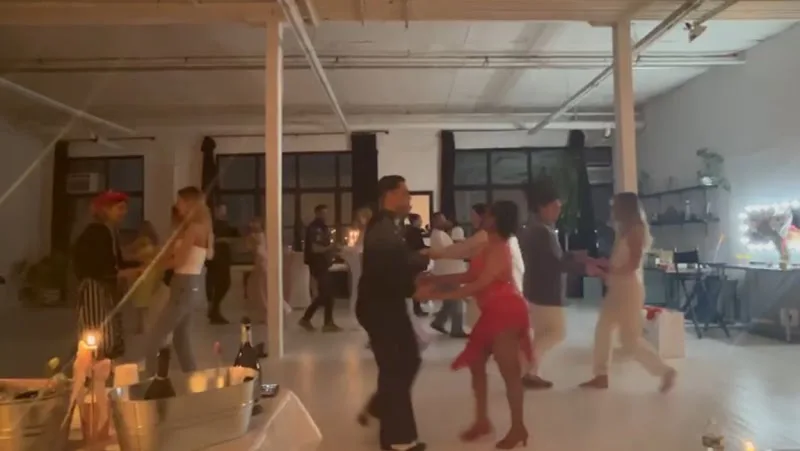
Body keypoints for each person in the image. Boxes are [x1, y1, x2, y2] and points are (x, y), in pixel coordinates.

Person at [415, 201, 531, 449]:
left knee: (509, 372)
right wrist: (435, 280)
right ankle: (482, 421)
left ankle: (518, 427)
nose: (482, 218)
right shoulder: (487, 245)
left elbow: (477, 285)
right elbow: (470, 276)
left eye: (487, 215)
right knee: (477, 363)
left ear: (497, 220)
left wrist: (435, 293)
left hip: (506, 312)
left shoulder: (499, 248)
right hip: (493, 312)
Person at [356, 175, 430, 451]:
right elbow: (390, 268)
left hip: (387, 303)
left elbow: (400, 260)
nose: (409, 198)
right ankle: (397, 440)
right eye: (405, 193)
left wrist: (422, 261)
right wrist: (416, 279)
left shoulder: (391, 225)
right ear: (390, 195)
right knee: (396, 367)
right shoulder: (382, 227)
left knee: (408, 360)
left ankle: (381, 405)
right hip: (379, 307)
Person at [579, 192, 677, 392]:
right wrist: (597, 263)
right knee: (603, 330)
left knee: (630, 341)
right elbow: (619, 263)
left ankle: (665, 371)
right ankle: (601, 375)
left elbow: (632, 264)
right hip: (618, 288)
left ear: (625, 208)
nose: (612, 210)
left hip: (628, 290)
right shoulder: (623, 231)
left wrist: (606, 272)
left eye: (615, 206)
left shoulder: (635, 231)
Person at [519, 177, 598, 389]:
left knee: (543, 333)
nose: (558, 211)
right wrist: (584, 268)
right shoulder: (541, 231)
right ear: (542, 207)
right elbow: (555, 263)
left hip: (537, 290)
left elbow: (554, 258)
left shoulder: (537, 228)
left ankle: (529, 371)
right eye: (555, 207)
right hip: (546, 291)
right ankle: (529, 370)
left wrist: (576, 257)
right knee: (556, 332)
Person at [134, 186, 211, 376]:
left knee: (155, 338)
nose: (177, 206)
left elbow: (179, 261)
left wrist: (152, 268)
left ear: (189, 203)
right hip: (189, 285)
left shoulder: (193, 229)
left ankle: (151, 380)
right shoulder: (201, 228)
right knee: (181, 338)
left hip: (184, 285)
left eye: (180, 202)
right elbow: (205, 255)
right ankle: (192, 377)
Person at [72, 191, 141, 360]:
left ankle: (103, 368)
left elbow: (116, 261)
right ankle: (94, 368)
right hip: (95, 289)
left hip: (106, 289)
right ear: (106, 209)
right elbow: (101, 267)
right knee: (99, 334)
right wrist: (130, 272)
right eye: (120, 208)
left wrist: (138, 266)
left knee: (109, 332)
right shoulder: (97, 232)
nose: (124, 212)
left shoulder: (110, 231)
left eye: (125, 208)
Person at [299, 204, 341, 332]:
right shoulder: (315, 228)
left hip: (323, 263)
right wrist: (331, 248)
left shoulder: (323, 228)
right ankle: (309, 319)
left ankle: (325, 322)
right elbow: (315, 248)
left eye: (326, 213)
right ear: (317, 213)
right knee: (326, 293)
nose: (325, 216)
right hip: (318, 264)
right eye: (323, 213)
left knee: (327, 293)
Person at [428, 212, 468, 338]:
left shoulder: (440, 234)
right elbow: (449, 252)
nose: (445, 221)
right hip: (449, 272)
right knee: (457, 301)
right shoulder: (438, 235)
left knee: (450, 301)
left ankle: (438, 322)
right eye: (442, 219)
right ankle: (456, 329)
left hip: (447, 271)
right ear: (435, 221)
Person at [206, 204, 238, 325]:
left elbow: (235, 236)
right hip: (217, 259)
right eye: (221, 210)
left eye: (224, 210)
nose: (223, 212)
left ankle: (214, 308)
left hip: (223, 257)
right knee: (221, 283)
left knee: (223, 284)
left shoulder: (225, 224)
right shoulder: (213, 225)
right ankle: (214, 309)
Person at [405, 213, 428, 317]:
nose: (421, 221)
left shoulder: (407, 231)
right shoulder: (415, 232)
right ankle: (417, 308)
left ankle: (416, 308)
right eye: (420, 219)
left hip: (411, 261)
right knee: (417, 285)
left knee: (414, 284)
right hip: (416, 261)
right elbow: (419, 246)